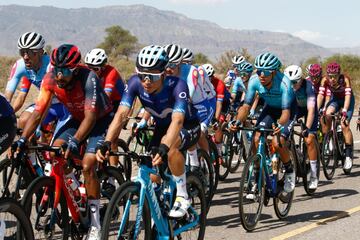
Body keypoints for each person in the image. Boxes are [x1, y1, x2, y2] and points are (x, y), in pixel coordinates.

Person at [12, 44, 113, 239]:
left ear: (75, 70)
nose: (59, 75)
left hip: (99, 120)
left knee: (87, 165)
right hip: (77, 118)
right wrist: (23, 139)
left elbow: (91, 118)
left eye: (64, 70)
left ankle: (95, 224)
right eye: (56, 69)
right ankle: (76, 191)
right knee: (54, 152)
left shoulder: (89, 78)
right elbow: (38, 113)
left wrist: (75, 141)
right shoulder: (50, 80)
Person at [96, 45, 201, 218]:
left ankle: (183, 195)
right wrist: (107, 141)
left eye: (152, 76)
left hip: (188, 125)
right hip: (161, 127)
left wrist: (165, 147)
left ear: (164, 73)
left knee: (171, 145)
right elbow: (122, 114)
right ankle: (159, 208)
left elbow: (178, 120)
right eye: (142, 74)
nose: (146, 81)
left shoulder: (178, 85)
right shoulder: (135, 83)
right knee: (150, 174)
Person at [230, 52, 296, 193]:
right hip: (270, 109)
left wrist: (279, 125)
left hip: (287, 111)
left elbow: (285, 113)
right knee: (255, 138)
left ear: (273, 72)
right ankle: (258, 174)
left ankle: (289, 170)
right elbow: (246, 106)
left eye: (265, 72)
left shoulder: (285, 83)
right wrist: (237, 121)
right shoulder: (254, 81)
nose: (261, 75)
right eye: (259, 71)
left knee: (277, 143)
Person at [5, 32, 69, 132]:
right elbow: (8, 97)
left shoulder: (51, 66)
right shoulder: (20, 66)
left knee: (56, 144)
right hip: (45, 104)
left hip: (64, 105)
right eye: (22, 52)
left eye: (30, 52)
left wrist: (37, 124)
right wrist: (5, 116)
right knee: (23, 121)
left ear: (40, 52)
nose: (25, 57)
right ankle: (28, 147)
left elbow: (48, 97)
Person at [85, 48, 126, 191]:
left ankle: (112, 176)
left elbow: (106, 98)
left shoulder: (111, 72)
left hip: (117, 103)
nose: (91, 71)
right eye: (88, 67)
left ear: (103, 67)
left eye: (95, 68)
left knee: (112, 137)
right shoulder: (88, 75)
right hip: (100, 102)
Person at [284, 65, 319, 189]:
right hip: (296, 109)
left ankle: (314, 175)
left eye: (295, 82)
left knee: (309, 139)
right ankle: (293, 156)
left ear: (301, 79)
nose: (292, 85)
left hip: (310, 110)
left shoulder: (309, 87)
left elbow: (311, 110)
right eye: (289, 82)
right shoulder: (286, 86)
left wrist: (306, 128)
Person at [317, 62, 355, 171]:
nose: (332, 79)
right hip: (335, 100)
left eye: (335, 76)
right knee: (327, 115)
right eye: (330, 76)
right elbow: (320, 96)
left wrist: (344, 111)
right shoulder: (324, 80)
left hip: (347, 101)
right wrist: (316, 109)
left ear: (339, 75)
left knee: (344, 125)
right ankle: (328, 138)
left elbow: (348, 96)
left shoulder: (345, 79)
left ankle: (348, 155)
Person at [202, 63, 231, 160]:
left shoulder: (219, 84)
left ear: (212, 76)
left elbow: (219, 104)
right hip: (210, 103)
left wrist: (215, 119)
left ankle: (218, 152)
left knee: (217, 124)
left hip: (223, 104)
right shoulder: (199, 82)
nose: (206, 80)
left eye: (209, 77)